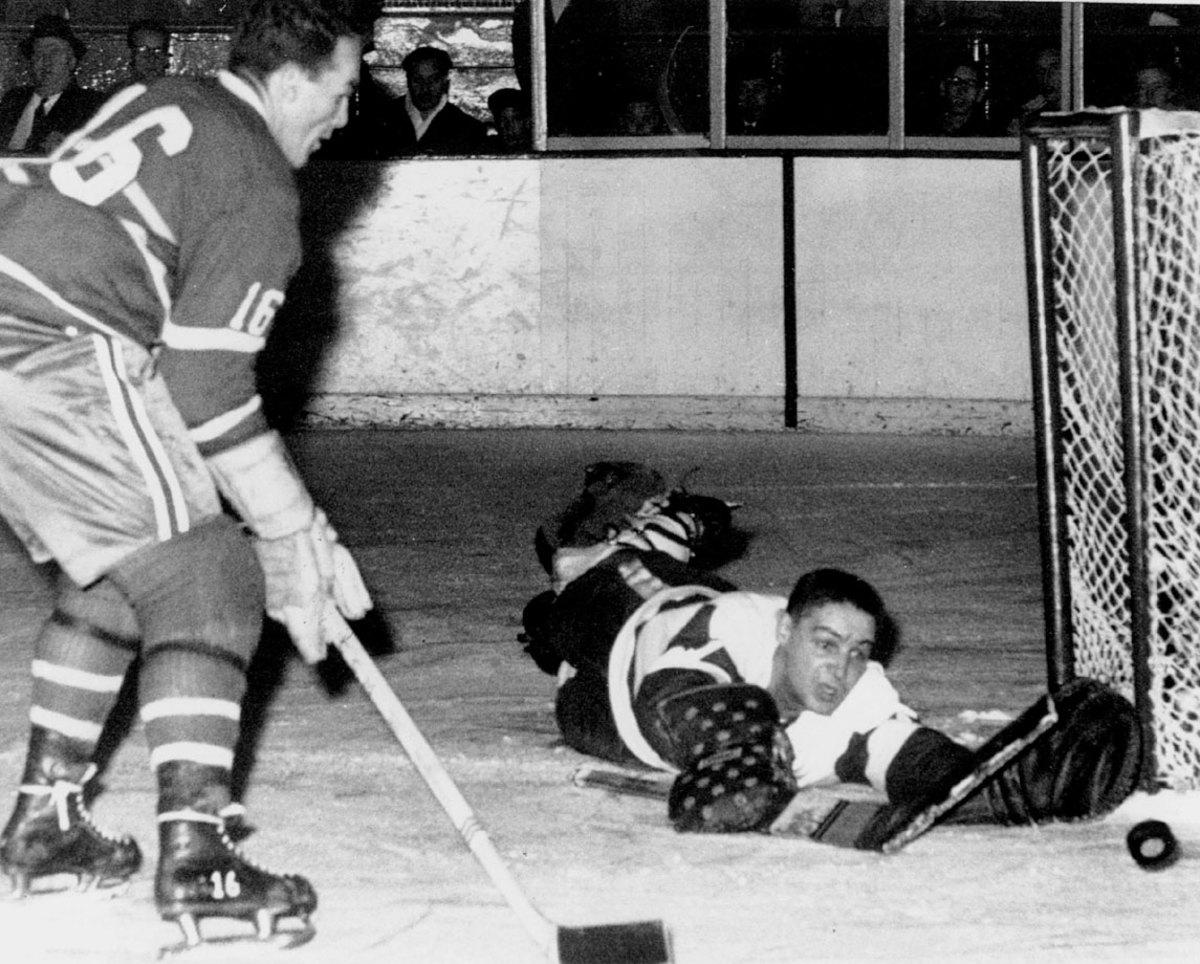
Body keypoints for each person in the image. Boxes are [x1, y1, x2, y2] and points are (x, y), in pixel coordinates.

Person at [0, 0, 372, 950]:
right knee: (209, 573)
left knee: (134, 568)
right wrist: (288, 533)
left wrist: (297, 524)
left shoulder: (179, 99)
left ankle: (44, 827)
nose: (342, 115)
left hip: (24, 316)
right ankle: (199, 863)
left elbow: (168, 367)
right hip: (45, 339)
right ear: (291, 83)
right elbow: (206, 384)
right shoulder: (253, 178)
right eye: (340, 90)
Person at [521, 463, 1143, 836]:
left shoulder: (859, 690)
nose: (840, 668)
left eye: (857, 651)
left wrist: (1014, 786)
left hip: (595, 711)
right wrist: (737, 750)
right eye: (825, 644)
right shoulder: (727, 623)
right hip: (625, 625)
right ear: (786, 632)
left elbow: (918, 767)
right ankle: (629, 540)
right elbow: (670, 697)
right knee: (593, 583)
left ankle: (656, 541)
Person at [0, 14, 105, 156]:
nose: (45, 60)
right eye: (38, 53)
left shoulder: (91, 104)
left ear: (71, 61)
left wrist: (72, 149)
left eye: (54, 51)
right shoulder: (14, 99)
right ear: (31, 63)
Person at [388, 45, 487, 155]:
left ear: (445, 81)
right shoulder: (378, 119)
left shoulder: (469, 129)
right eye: (417, 80)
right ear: (407, 80)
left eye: (433, 80)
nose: (425, 88)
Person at [1005, 45, 1063, 135]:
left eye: (1054, 68)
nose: (1046, 77)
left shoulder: (1084, 110)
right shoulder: (1033, 113)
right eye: (1041, 71)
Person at [118, 18, 172, 90]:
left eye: (158, 51)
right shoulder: (117, 98)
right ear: (130, 55)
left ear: (166, 57)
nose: (152, 59)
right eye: (144, 50)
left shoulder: (183, 96)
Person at [486, 87, 532, 152]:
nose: (502, 126)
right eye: (498, 120)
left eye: (511, 120)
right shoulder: (490, 148)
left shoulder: (542, 146)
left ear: (527, 121)